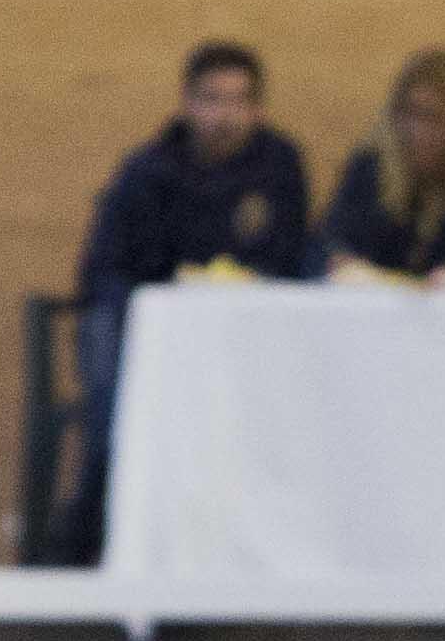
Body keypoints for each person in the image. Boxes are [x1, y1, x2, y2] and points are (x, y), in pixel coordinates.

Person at [52, 40, 315, 563]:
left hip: (247, 334)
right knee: (111, 389)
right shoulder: (149, 171)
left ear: (257, 109)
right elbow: (104, 269)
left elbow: (291, 261)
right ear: (187, 103)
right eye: (212, 99)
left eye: (238, 101)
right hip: (147, 328)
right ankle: (91, 548)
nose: (225, 115)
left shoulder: (280, 166)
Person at [315, 46, 445, 282]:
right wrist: (340, 264)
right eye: (408, 114)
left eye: (432, 116)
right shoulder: (370, 173)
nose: (416, 130)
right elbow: (326, 247)